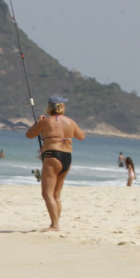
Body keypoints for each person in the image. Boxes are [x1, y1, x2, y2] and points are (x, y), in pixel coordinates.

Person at [25, 94, 86, 231]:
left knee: (47, 194)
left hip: (52, 156)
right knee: (56, 194)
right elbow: (81, 136)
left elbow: (29, 135)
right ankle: (56, 223)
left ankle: (54, 225)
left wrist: (37, 123)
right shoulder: (70, 122)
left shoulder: (46, 122)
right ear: (61, 106)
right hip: (67, 157)